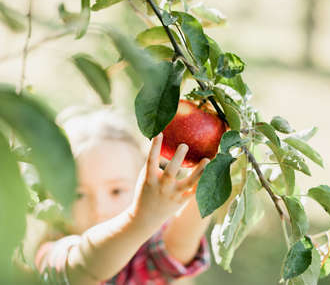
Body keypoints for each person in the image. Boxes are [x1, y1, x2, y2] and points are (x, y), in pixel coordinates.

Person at [33, 107, 212, 285]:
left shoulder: (148, 251)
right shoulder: (51, 255)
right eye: (78, 195)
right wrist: (138, 219)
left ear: (141, 185)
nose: (99, 210)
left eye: (116, 191)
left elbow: (178, 243)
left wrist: (211, 174)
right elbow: (87, 265)